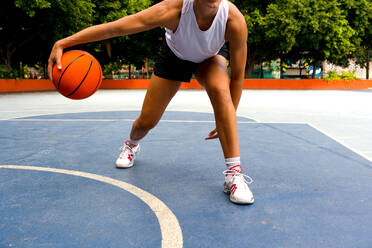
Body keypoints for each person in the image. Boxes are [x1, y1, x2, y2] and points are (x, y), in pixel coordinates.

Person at [48, 0, 254, 204]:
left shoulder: (233, 20)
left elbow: (237, 77)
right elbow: (116, 28)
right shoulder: (172, 10)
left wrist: (228, 117)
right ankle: (131, 145)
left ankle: (234, 174)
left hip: (210, 58)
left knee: (220, 89)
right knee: (146, 122)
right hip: (175, 57)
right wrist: (64, 42)